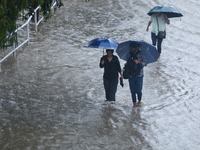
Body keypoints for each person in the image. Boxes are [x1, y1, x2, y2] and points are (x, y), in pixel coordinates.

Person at [126, 42, 147, 107]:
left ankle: (139, 100)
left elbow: (145, 63)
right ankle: (134, 105)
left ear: (136, 48)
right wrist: (126, 64)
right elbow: (128, 62)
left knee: (138, 90)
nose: (131, 49)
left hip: (139, 75)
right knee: (132, 91)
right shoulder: (129, 54)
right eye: (130, 48)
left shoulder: (141, 54)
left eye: (132, 48)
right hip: (131, 75)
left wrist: (139, 62)